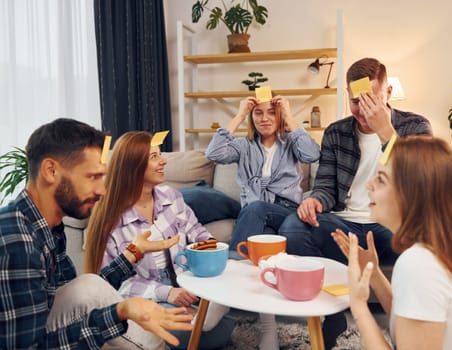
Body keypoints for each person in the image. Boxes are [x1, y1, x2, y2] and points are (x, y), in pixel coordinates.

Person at [277, 57, 433, 349]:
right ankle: (333, 309)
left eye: (370, 100)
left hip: (391, 223)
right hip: (345, 220)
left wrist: (386, 131)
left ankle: (411, 324)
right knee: (293, 228)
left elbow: (418, 184)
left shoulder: (415, 127)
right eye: (355, 101)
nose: (363, 110)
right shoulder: (337, 132)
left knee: (421, 244)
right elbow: (325, 187)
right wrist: (314, 201)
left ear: (387, 92)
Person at [0, 118, 193, 350]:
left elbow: (85, 296)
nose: (102, 190)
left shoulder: (49, 227)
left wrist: (133, 253)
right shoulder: (16, 242)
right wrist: (119, 313)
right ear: (51, 171)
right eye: (92, 177)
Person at [332, 135, 452, 350]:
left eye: (381, 179)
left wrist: (359, 307)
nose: (369, 185)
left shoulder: (419, 264)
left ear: (413, 194)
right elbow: (411, 324)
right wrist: (375, 277)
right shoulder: (442, 251)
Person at [84, 131, 234, 349]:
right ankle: (211, 324)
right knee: (189, 331)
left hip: (187, 283)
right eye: (154, 157)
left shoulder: (172, 198)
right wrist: (168, 293)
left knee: (232, 268)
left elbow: (199, 234)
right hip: (145, 299)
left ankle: (208, 317)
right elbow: (111, 285)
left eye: (160, 155)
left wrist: (213, 256)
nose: (163, 161)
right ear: (133, 165)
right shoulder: (111, 219)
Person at [205, 95, 320, 349]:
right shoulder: (244, 147)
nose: (264, 119)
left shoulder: (290, 143)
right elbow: (213, 153)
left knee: (256, 209)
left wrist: (289, 116)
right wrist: (238, 114)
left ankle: (225, 290)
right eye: (258, 113)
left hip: (287, 212)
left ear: (278, 115)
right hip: (257, 217)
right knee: (263, 243)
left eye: (271, 113)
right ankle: (268, 329)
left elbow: (312, 154)